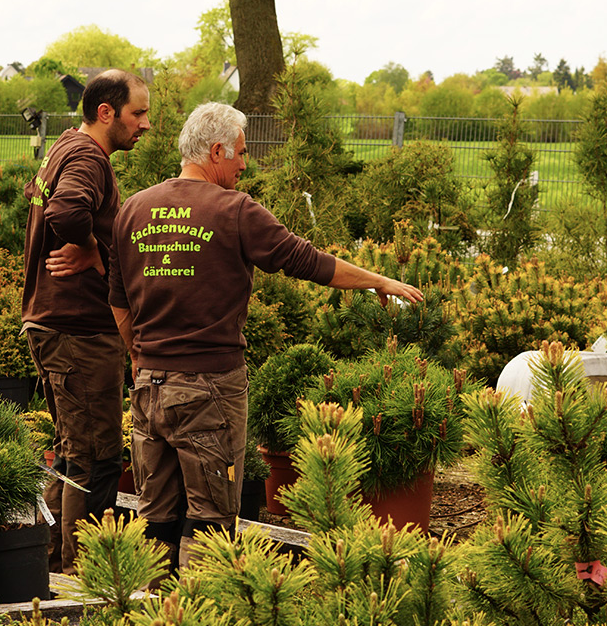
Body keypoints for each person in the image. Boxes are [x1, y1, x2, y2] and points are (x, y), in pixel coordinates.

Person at [108, 102, 422, 571]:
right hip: (209, 390)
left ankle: (150, 607)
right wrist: (379, 281)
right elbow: (309, 262)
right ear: (216, 151)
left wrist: (139, 355)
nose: (244, 163)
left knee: (155, 518)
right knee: (211, 522)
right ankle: (202, 610)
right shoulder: (234, 210)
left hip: (148, 389)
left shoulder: (133, 209)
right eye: (239, 152)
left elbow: (117, 301)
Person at [22, 69, 150, 574]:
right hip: (77, 329)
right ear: (106, 112)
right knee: (96, 458)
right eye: (137, 113)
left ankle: (49, 561)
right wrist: (93, 250)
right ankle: (84, 576)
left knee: (74, 451)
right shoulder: (88, 158)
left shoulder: (64, 147)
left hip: (56, 324)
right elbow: (67, 211)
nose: (145, 124)